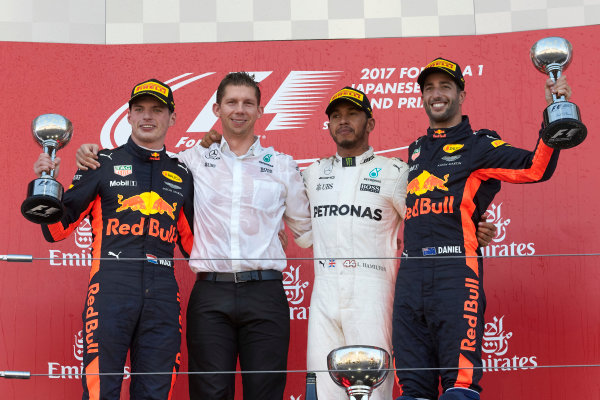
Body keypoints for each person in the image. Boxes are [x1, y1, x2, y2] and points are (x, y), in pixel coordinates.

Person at [201, 86, 496, 400]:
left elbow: (429, 216)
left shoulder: (394, 172)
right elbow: (263, 198)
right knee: (324, 388)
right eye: (336, 116)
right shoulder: (312, 173)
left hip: (374, 291)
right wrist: (219, 149)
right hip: (324, 292)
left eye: (352, 114)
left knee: (376, 388)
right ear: (327, 126)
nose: (343, 121)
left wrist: (469, 228)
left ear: (369, 123)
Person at [392, 58, 567, 400]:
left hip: (455, 274)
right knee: (412, 389)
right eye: (429, 88)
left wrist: (554, 114)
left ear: (461, 94)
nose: (436, 94)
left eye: (445, 86)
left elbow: (535, 168)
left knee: (459, 384)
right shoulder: (416, 149)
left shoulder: (479, 145)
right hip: (410, 275)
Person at [33, 79, 194, 399]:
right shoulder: (100, 163)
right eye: (139, 109)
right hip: (110, 290)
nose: (148, 116)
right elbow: (57, 229)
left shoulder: (183, 174)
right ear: (129, 116)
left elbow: (196, 248)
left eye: (157, 110)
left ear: (172, 118)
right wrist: (45, 182)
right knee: (100, 393)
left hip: (163, 296)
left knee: (155, 393)